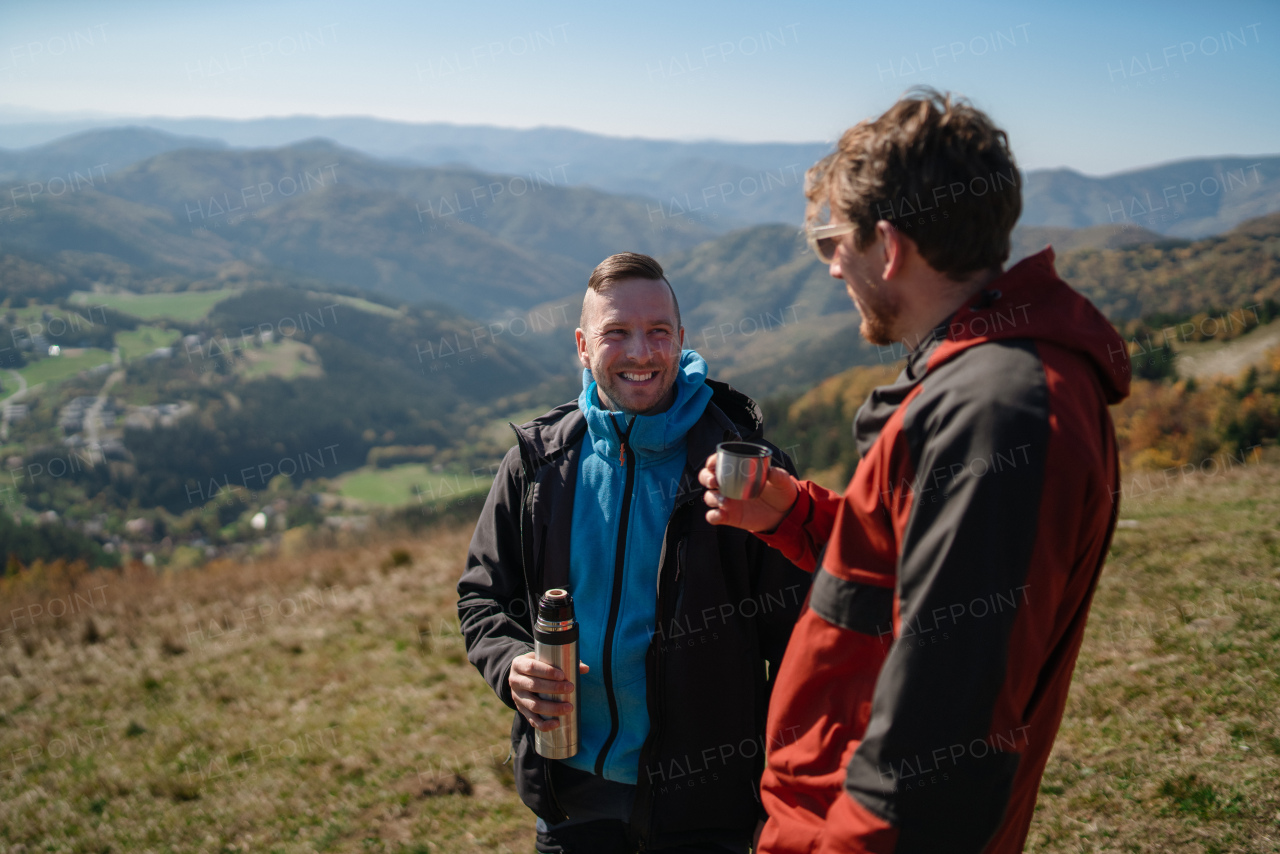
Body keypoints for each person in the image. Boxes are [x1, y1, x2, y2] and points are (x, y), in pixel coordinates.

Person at [698, 89, 1132, 853]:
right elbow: (919, 579)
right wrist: (795, 517)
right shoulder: (983, 390)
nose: (832, 268)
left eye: (834, 241)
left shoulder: (995, 414)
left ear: (889, 246)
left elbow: (938, 753)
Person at [458, 252, 810, 853]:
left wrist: (784, 795)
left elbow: (801, 647)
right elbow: (483, 597)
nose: (641, 353)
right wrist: (509, 661)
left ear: (681, 340)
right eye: (616, 333)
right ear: (582, 345)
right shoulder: (540, 463)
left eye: (658, 332)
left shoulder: (744, 469)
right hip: (572, 794)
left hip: (707, 805)